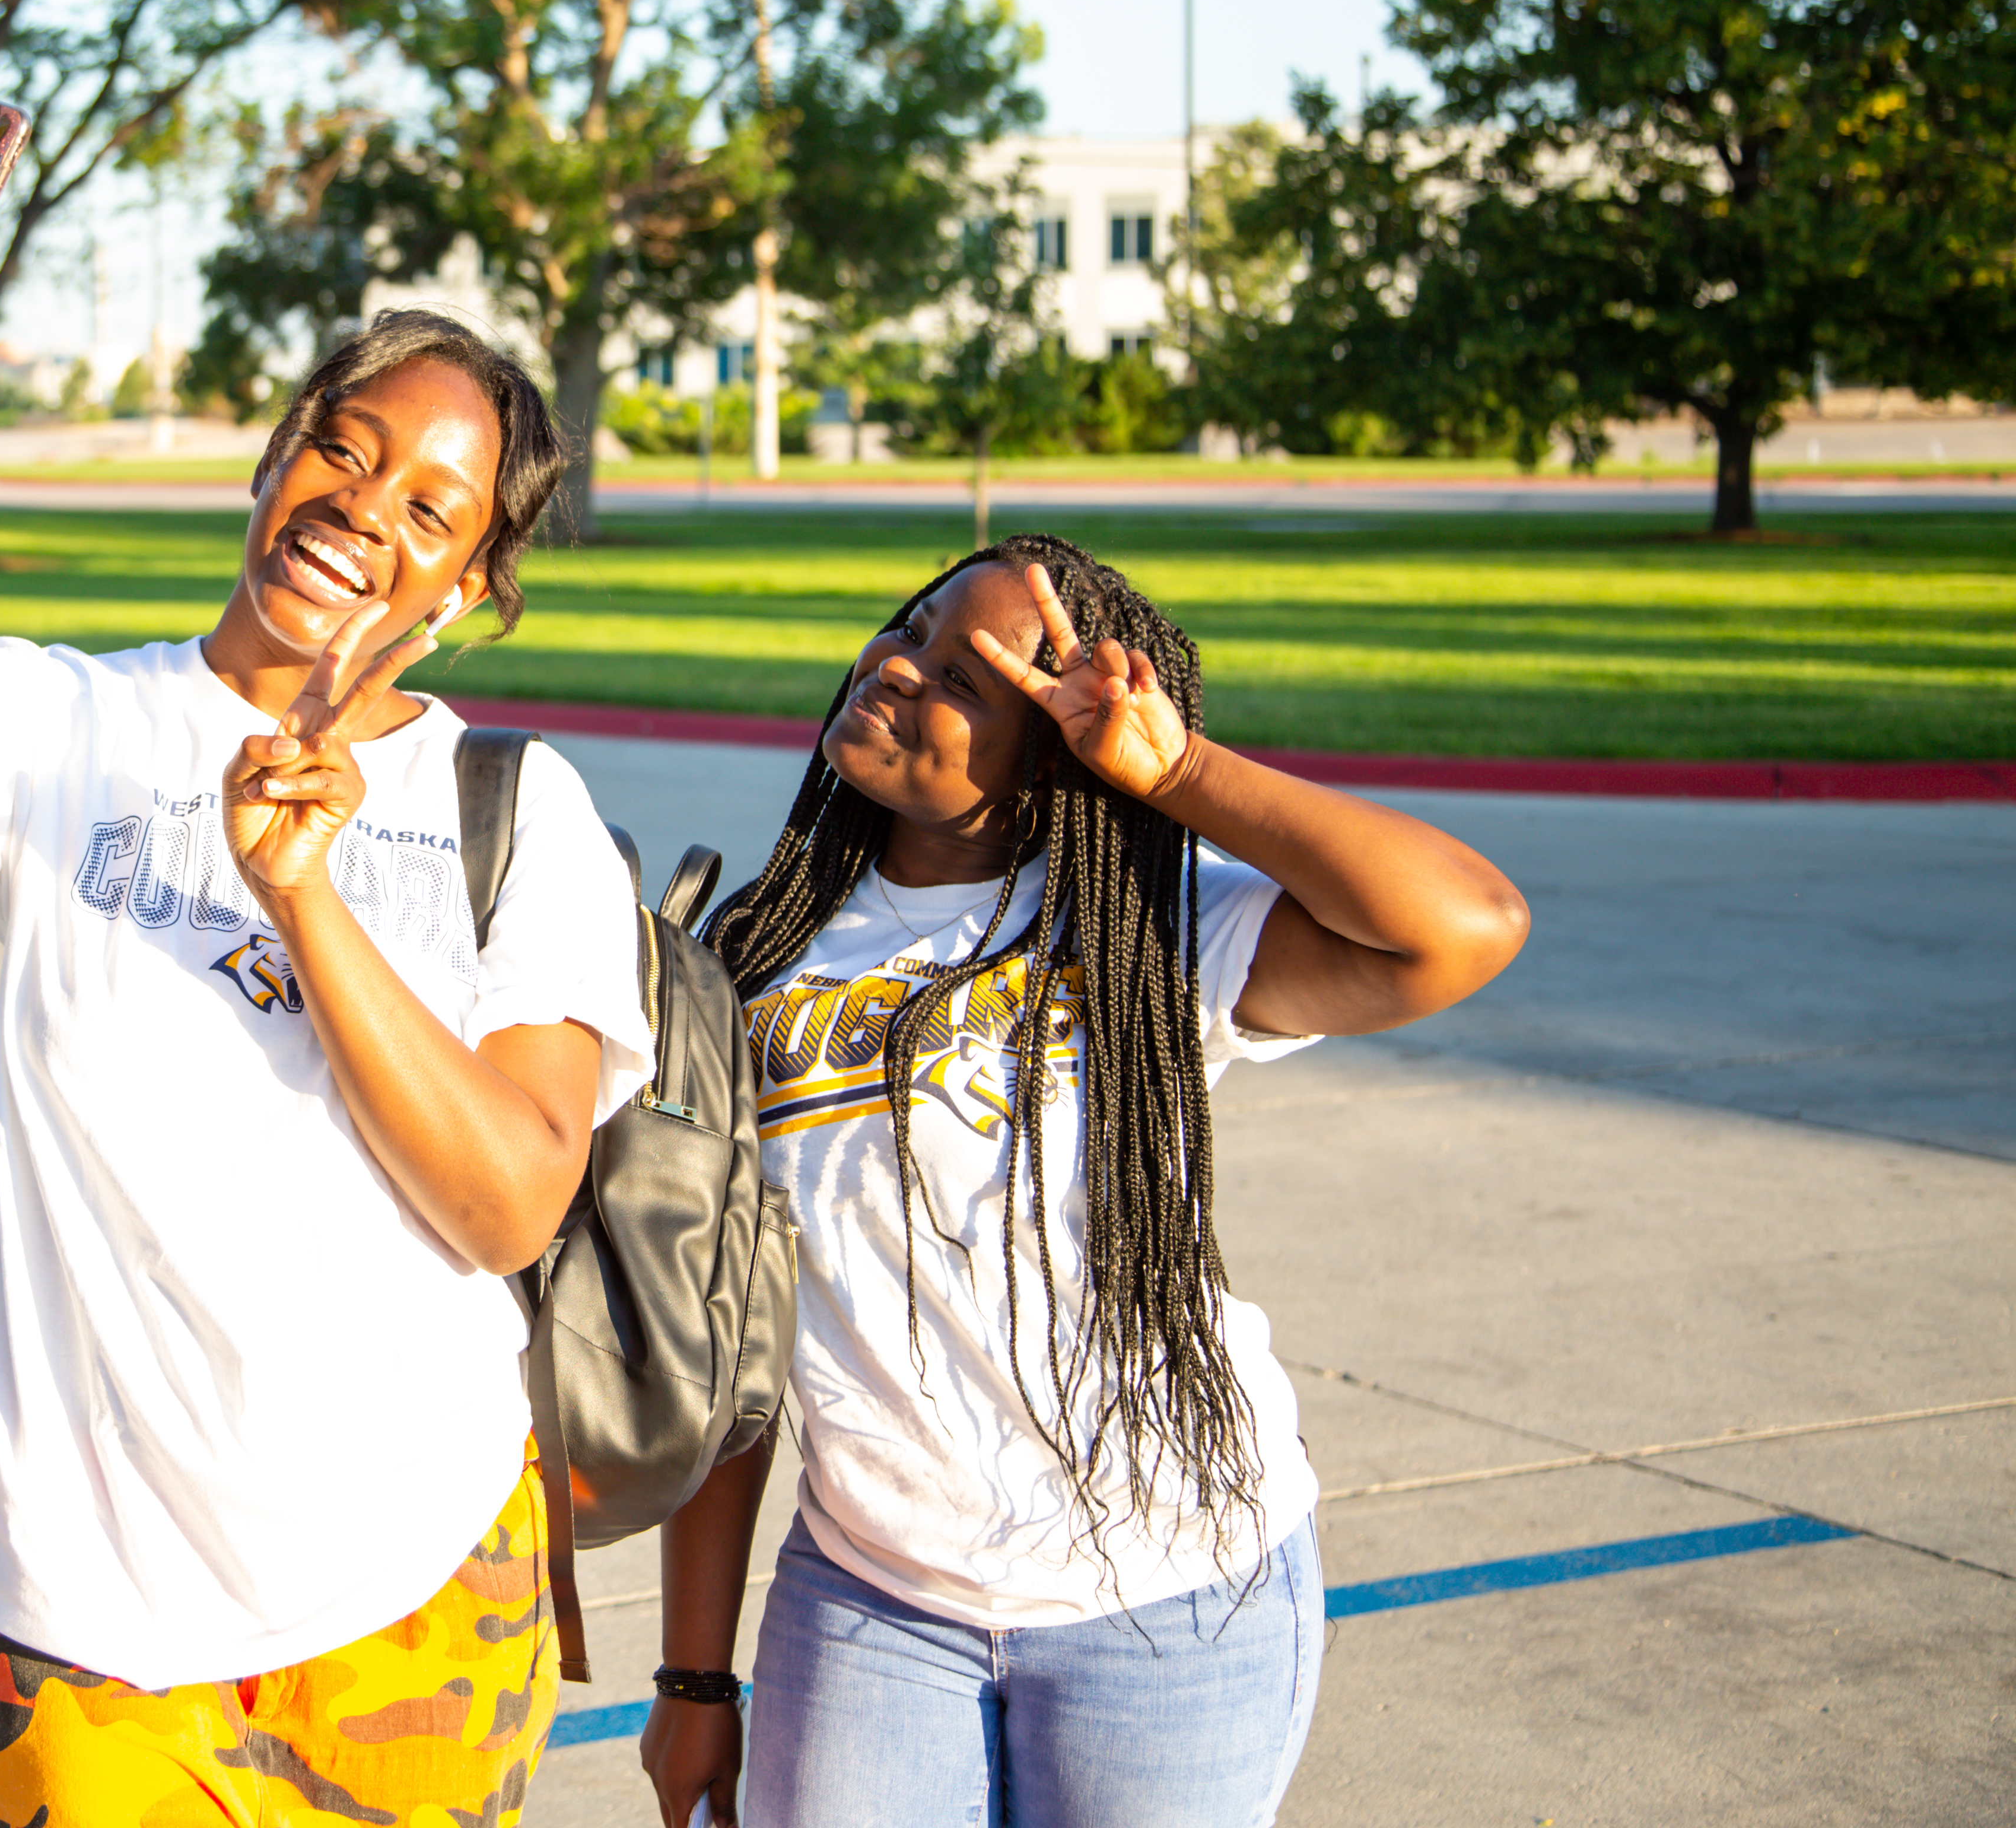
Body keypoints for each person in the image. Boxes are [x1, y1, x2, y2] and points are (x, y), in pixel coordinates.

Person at [0, 173, 655, 1828]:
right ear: (279, 447)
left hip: (414, 1578)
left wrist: (305, 901)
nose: (366, 511)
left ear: (473, 584)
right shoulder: (77, 732)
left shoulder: (521, 809)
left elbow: (510, 1200)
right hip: (83, 1607)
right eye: (346, 450)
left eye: (432, 512)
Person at [638, 533, 1530, 1828]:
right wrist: (697, 1673)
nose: (898, 667)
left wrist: (1179, 774)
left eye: (965, 676)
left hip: (1171, 1599)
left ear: (1055, 745)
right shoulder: (751, 949)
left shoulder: (1151, 923)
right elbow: (735, 1348)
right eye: (910, 630)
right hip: (875, 1594)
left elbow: (1464, 925)